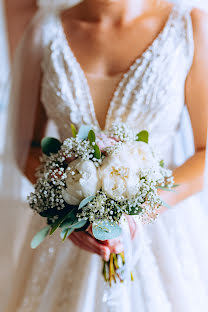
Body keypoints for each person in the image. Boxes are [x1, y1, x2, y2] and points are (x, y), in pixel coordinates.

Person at [2, 0, 208, 311]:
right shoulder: (44, 32)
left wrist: (135, 211)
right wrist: (69, 210)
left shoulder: (188, 26)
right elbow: (26, 148)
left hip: (162, 233)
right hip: (68, 240)